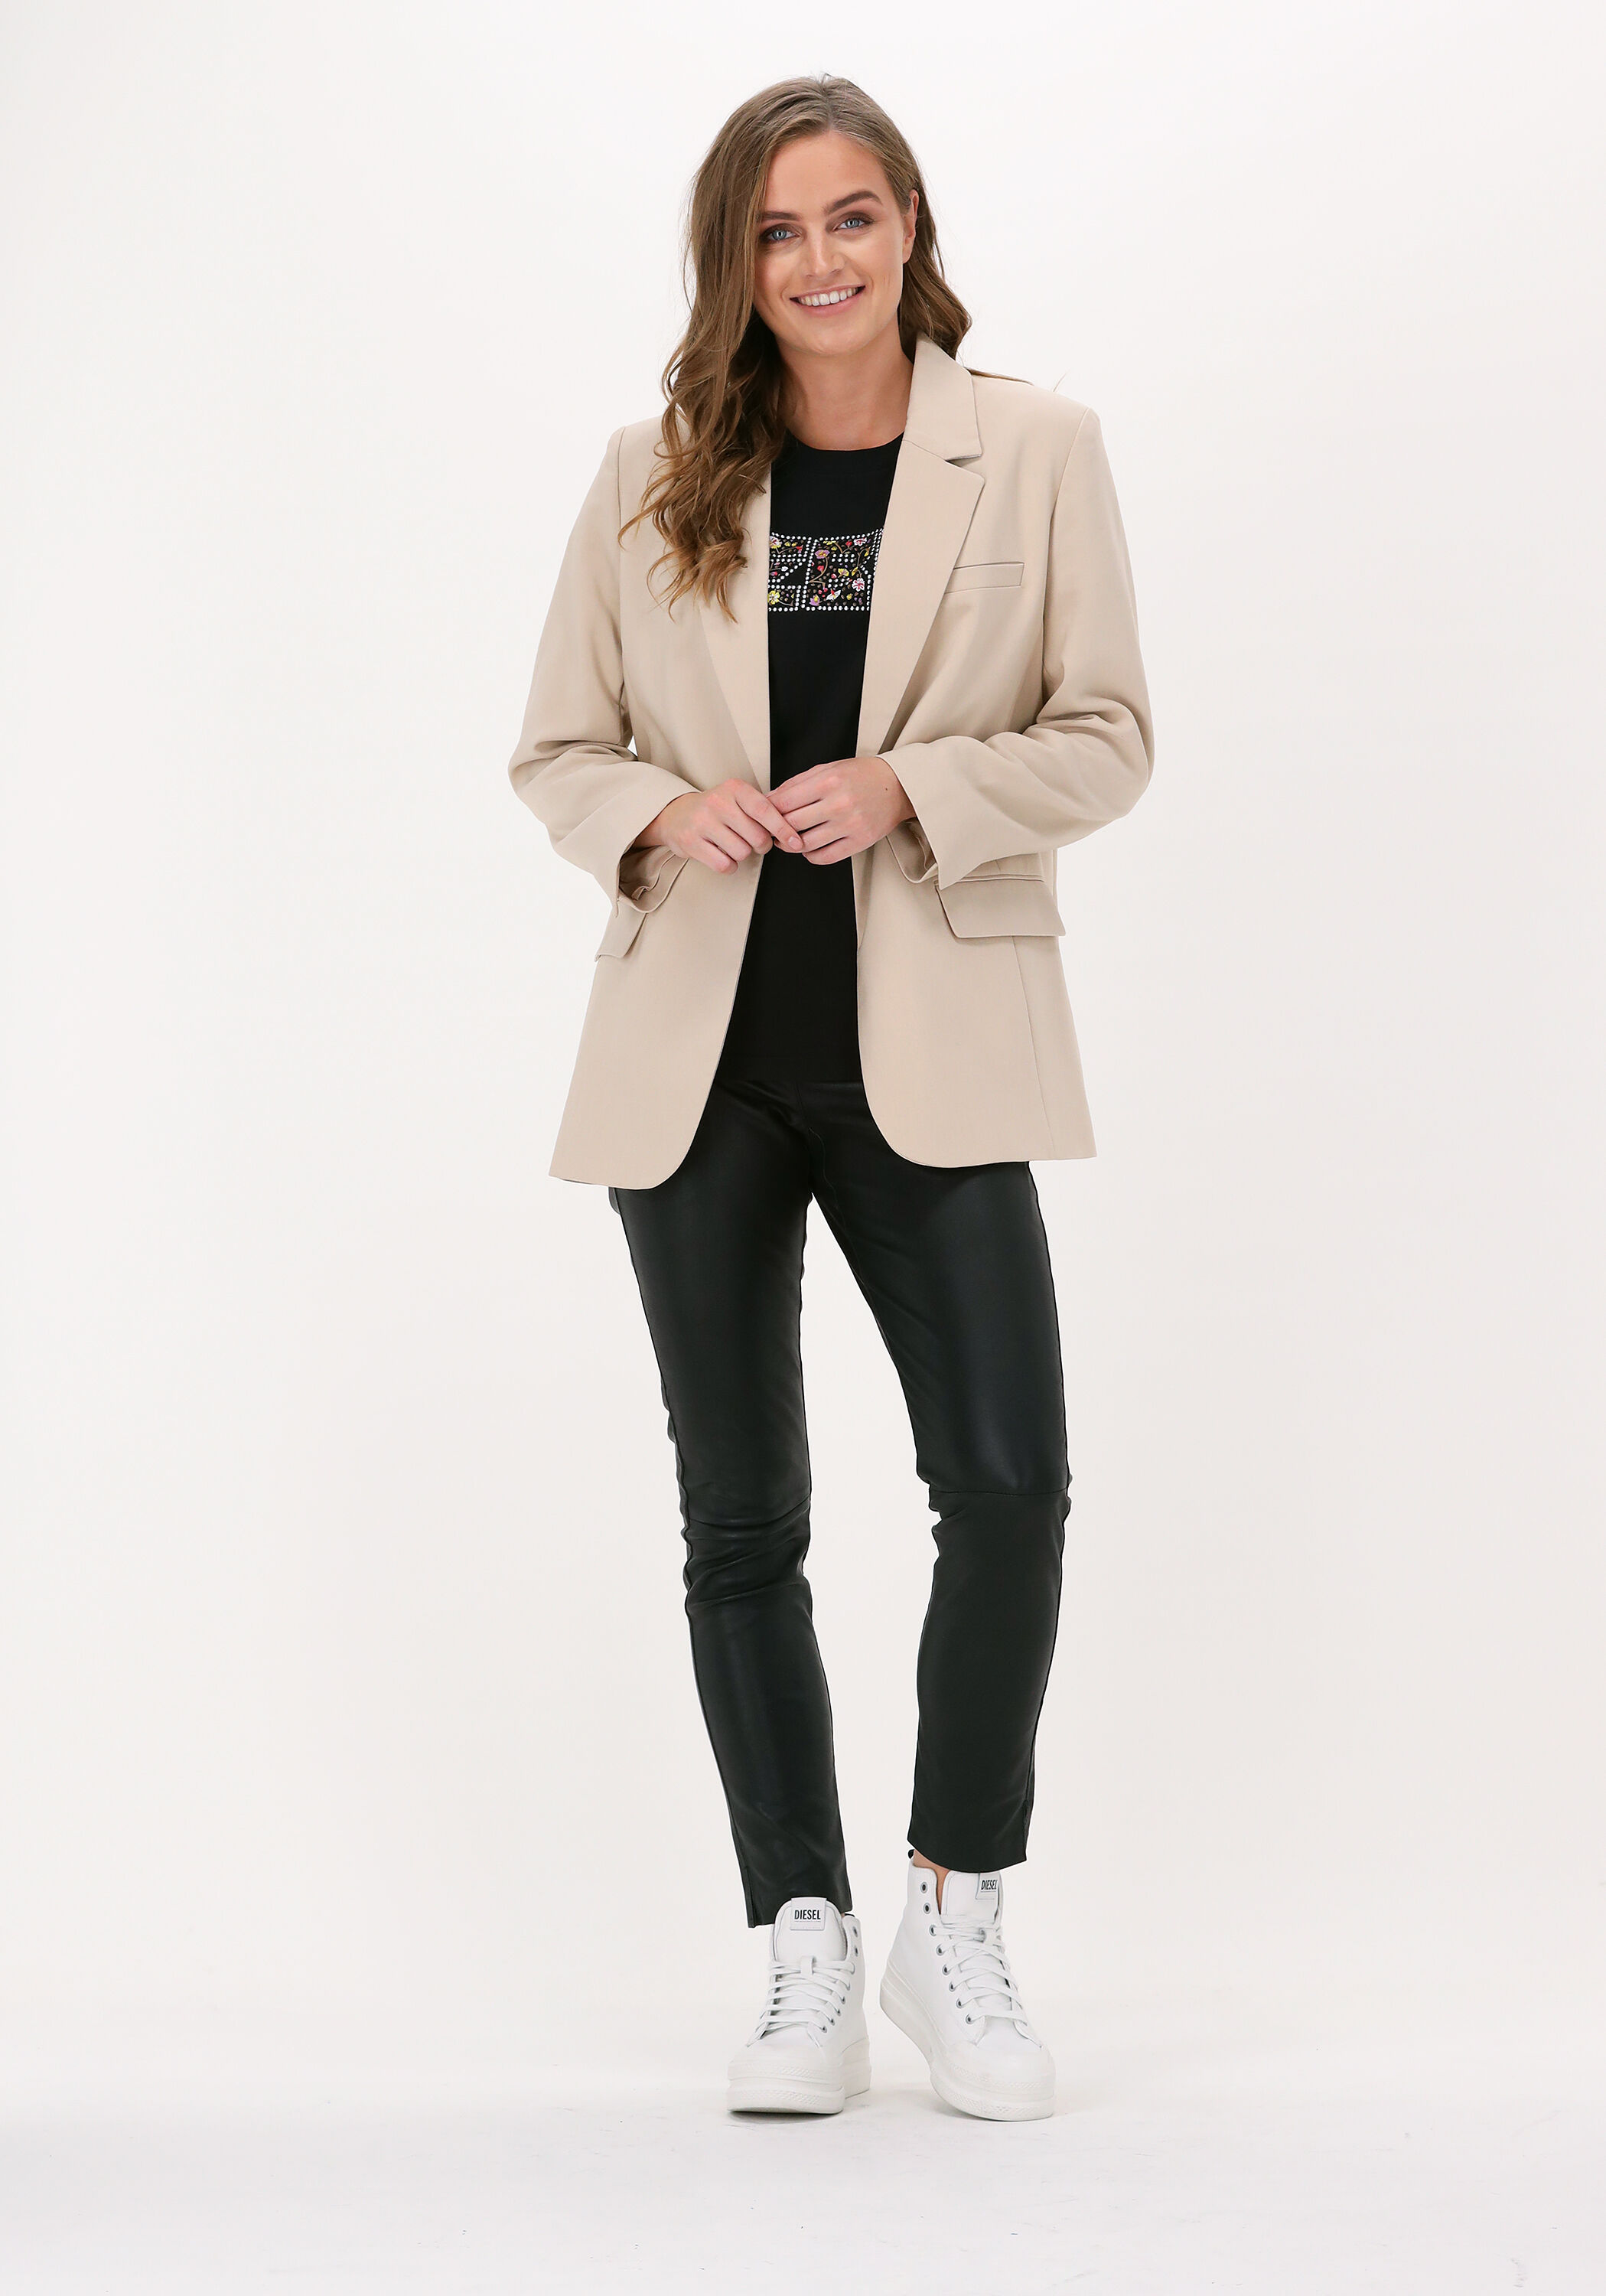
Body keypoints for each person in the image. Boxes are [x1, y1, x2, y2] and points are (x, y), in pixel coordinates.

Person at [507, 74, 1154, 2122]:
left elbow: (1109, 734)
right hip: (698, 1066)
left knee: (1009, 1486)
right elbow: (556, 750)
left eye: (851, 217)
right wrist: (654, 810)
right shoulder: (650, 472)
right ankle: (801, 1943)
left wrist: (913, 788)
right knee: (741, 1522)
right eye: (776, 231)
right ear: (736, 261)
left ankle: (953, 1921)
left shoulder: (1033, 449)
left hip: (933, 1050)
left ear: (908, 226)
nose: (819, 261)